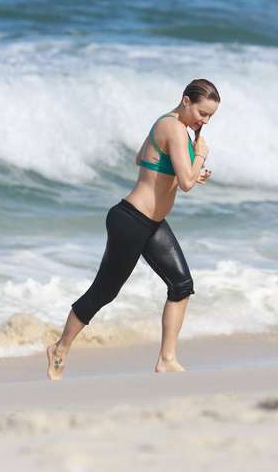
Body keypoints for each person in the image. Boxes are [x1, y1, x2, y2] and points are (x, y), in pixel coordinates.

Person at [46, 78, 220, 380]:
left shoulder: (168, 127)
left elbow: (142, 158)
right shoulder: (174, 128)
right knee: (104, 292)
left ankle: (167, 359)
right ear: (186, 101)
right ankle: (60, 348)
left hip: (152, 224)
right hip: (131, 220)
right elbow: (188, 184)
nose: (203, 121)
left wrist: (180, 170)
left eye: (209, 117)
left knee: (181, 285)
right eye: (202, 113)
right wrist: (200, 154)